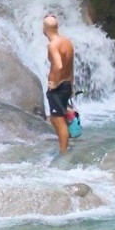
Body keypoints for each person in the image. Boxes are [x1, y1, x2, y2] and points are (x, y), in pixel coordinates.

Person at [43, 15, 75, 154]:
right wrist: (71, 84)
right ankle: (65, 147)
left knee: (58, 121)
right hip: (67, 83)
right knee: (58, 119)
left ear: (45, 28)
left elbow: (59, 65)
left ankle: (63, 154)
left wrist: (55, 83)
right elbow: (71, 65)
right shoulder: (67, 42)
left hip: (58, 87)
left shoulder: (53, 44)